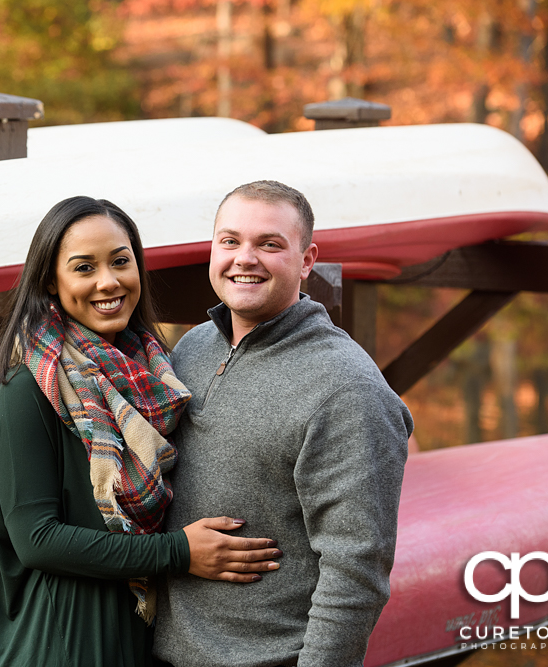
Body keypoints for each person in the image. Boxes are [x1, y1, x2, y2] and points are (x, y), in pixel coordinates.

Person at [0, 196, 283, 667]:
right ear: (50, 282)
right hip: (62, 643)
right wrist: (178, 553)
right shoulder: (29, 390)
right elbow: (36, 539)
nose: (108, 282)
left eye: (121, 262)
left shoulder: (155, 375)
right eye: (84, 268)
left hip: (137, 638)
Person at [153, 181, 414, 667]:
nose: (243, 258)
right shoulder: (192, 348)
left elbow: (356, 572)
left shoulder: (347, 390)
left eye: (268, 244)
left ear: (307, 259)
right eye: (229, 241)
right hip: (163, 652)